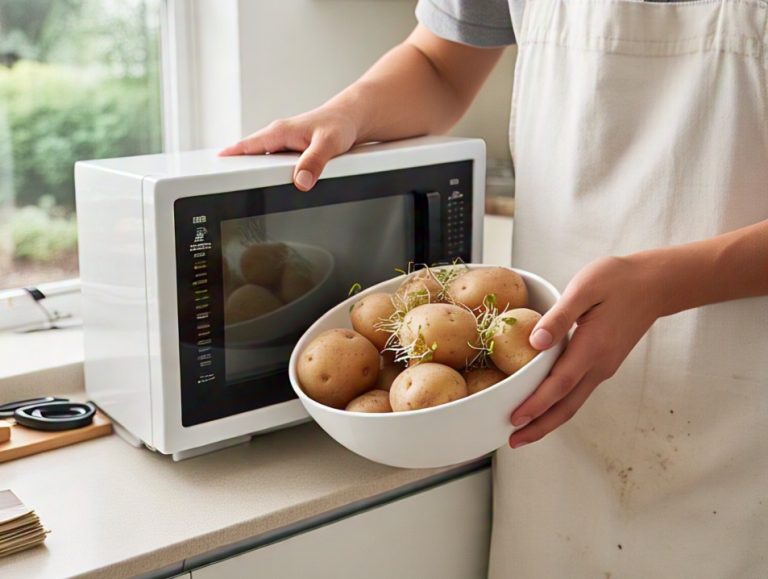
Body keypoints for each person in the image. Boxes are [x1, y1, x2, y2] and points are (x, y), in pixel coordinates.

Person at [221, 1, 768, 576]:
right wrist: (347, 113)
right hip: (543, 406)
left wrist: (665, 285)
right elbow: (438, 64)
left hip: (737, 408)